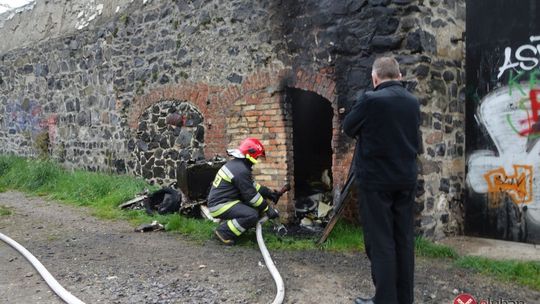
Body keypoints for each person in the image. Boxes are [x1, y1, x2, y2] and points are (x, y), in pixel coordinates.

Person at [343, 57, 421, 304]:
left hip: (376, 182)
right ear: (399, 76)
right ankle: (403, 299)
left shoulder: (370, 100)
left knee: (381, 242)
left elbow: (348, 127)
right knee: (403, 240)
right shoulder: (412, 102)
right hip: (406, 179)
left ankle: (385, 299)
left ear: (375, 79)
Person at [207, 137, 280, 245]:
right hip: (220, 205)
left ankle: (240, 230)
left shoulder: (238, 166)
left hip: (225, 201)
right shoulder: (240, 170)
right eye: (257, 157)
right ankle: (224, 232)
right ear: (251, 155)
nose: (257, 160)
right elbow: (251, 196)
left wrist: (268, 193)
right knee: (251, 215)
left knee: (255, 207)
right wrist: (267, 208)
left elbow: (252, 186)